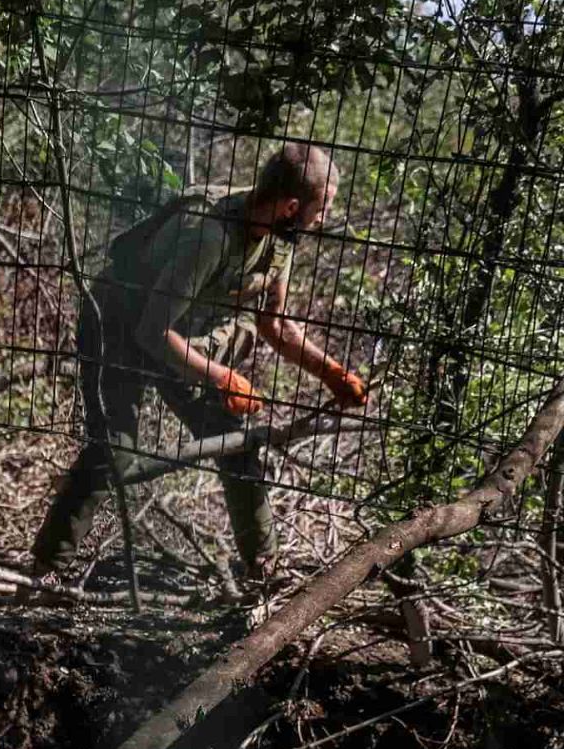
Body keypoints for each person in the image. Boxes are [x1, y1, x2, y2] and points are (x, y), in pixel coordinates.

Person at [30, 143, 369, 585]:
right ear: (291, 206)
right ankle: (44, 573)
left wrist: (333, 374)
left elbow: (274, 323)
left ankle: (263, 570)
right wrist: (221, 376)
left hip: (175, 332)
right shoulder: (208, 235)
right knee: (114, 446)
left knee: (234, 441)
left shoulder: (278, 236)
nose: (322, 218)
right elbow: (150, 332)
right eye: (321, 208)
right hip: (117, 326)